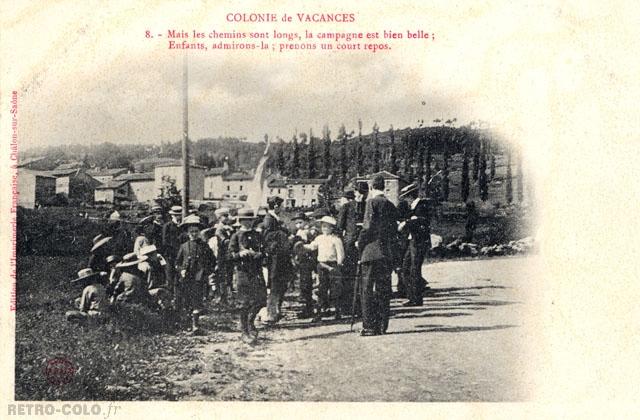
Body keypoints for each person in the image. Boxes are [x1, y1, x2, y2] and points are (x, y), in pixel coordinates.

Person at [357, 174, 399, 336]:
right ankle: (382, 325)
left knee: (367, 289)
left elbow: (367, 228)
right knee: (383, 289)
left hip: (370, 252)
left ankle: (369, 326)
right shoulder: (390, 205)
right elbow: (394, 231)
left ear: (372, 187)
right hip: (386, 252)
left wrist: (359, 244)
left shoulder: (371, 203)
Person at [228, 208, 267, 344]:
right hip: (243, 272)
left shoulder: (258, 235)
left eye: (250, 220)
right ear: (240, 221)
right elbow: (230, 255)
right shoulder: (236, 236)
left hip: (256, 271)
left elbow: (265, 251)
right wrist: (240, 254)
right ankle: (244, 331)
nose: (248, 223)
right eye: (245, 220)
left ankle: (251, 322)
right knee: (244, 302)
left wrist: (258, 254)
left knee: (261, 299)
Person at [174, 214, 216, 333]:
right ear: (188, 232)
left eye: (196, 231)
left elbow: (212, 261)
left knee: (196, 300)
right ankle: (186, 324)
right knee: (186, 300)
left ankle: (196, 325)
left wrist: (207, 272)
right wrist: (181, 269)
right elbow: (177, 262)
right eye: (191, 231)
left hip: (199, 277)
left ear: (199, 232)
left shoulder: (204, 246)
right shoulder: (184, 246)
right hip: (186, 277)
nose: (194, 233)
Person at [304, 216, 345, 321]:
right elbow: (312, 246)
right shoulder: (319, 238)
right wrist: (302, 246)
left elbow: (340, 253)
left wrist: (339, 265)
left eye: (327, 227)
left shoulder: (336, 239)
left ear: (332, 228)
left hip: (333, 265)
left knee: (335, 289)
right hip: (322, 265)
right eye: (323, 227)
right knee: (322, 288)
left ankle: (337, 311)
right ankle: (320, 312)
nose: (325, 229)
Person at [262, 196, 294, 324]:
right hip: (274, 258)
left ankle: (276, 311)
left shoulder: (275, 219)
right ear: (275, 206)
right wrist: (285, 236)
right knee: (274, 283)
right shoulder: (269, 220)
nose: (281, 208)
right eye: (280, 206)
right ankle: (270, 314)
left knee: (280, 283)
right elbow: (267, 237)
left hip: (280, 257)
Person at [398, 198, 432, 306]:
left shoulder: (421, 206)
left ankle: (416, 298)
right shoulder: (414, 207)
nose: (407, 200)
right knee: (406, 268)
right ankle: (413, 296)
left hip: (418, 242)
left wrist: (408, 222)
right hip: (412, 241)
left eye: (407, 197)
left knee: (414, 270)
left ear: (411, 197)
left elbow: (422, 221)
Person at [336, 187, 360, 315]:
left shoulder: (345, 207)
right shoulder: (360, 205)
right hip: (360, 243)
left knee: (347, 275)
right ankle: (358, 305)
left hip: (349, 244)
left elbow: (339, 227)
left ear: (345, 198)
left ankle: (347, 306)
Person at [291, 212, 315, 318]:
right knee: (304, 284)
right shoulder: (299, 232)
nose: (298, 225)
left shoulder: (308, 232)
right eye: (296, 223)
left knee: (306, 284)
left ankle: (309, 309)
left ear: (305, 221)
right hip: (301, 260)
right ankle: (307, 307)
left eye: (300, 222)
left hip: (307, 260)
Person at [209, 207, 235, 303]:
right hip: (222, 256)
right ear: (219, 218)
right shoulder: (219, 229)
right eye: (225, 216)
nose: (227, 218)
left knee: (229, 276)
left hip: (228, 256)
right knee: (222, 276)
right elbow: (225, 241)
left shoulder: (228, 228)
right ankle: (222, 297)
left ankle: (227, 296)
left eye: (227, 215)